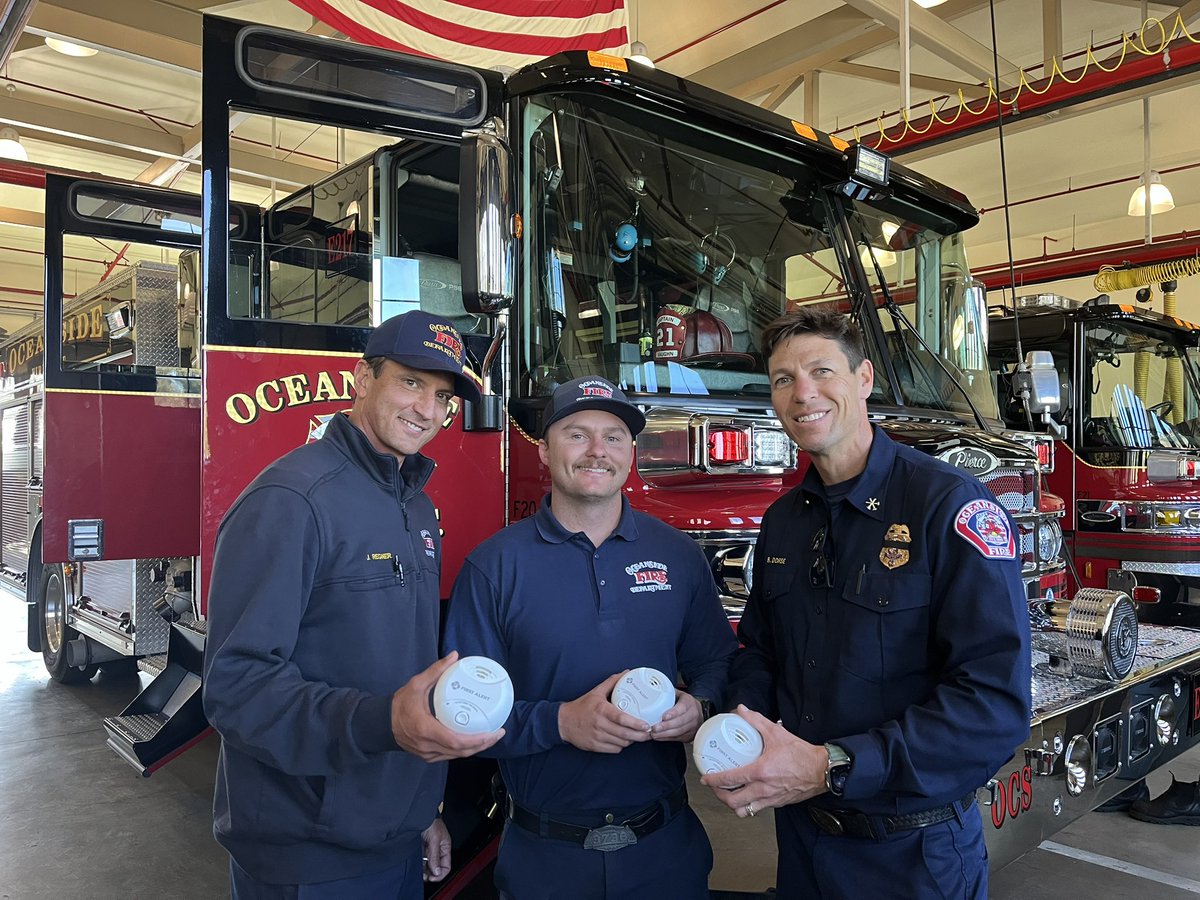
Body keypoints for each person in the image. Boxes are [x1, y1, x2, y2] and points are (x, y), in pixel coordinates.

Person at [702, 308, 1031, 899]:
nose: (803, 394)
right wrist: (741, 724)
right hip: (803, 845)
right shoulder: (782, 521)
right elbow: (760, 651)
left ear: (864, 379)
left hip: (912, 856)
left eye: (821, 371)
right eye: (783, 379)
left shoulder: (947, 506)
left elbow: (993, 705)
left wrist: (833, 763)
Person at [202, 310, 503, 900]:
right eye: (410, 382)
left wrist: (420, 812)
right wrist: (382, 722)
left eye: (442, 395)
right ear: (362, 379)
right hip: (308, 854)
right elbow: (236, 687)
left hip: (390, 838)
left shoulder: (412, 503)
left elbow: (394, 662)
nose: (426, 409)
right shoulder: (291, 500)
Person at [442, 376, 737, 900]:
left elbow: (718, 662)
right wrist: (562, 722)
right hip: (543, 859)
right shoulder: (493, 567)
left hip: (665, 851)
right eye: (577, 434)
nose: (597, 450)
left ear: (630, 454)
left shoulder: (679, 556)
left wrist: (702, 706)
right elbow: (461, 715)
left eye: (614, 436)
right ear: (545, 449)